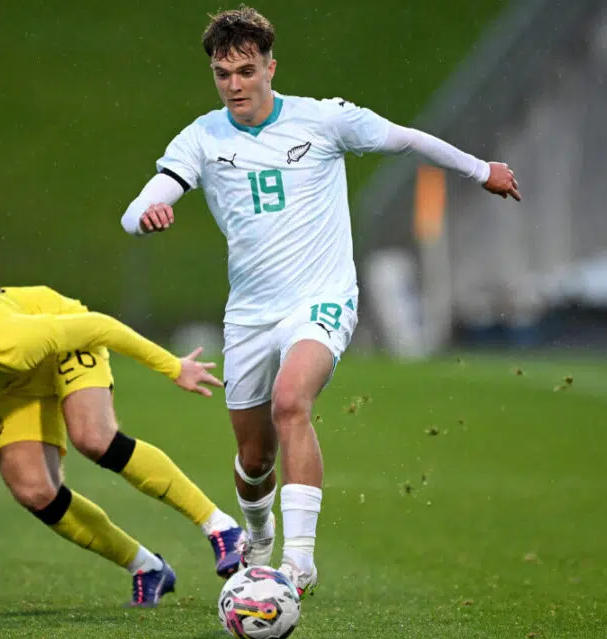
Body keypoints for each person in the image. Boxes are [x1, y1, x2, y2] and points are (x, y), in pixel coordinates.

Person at [119, 6, 521, 596]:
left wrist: (480, 168)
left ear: (270, 68)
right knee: (254, 459)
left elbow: (406, 138)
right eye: (222, 74)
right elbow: (136, 208)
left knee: (290, 403)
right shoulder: (201, 138)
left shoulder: (324, 120)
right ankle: (257, 537)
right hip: (251, 314)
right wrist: (148, 215)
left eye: (245, 71)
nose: (234, 85)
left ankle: (300, 561)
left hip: (322, 298)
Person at [0, 285, 245, 608]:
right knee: (33, 491)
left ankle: (220, 527)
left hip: (58, 334)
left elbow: (100, 326)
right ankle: (148, 569)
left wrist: (173, 367)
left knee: (93, 438)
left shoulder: (6, 341)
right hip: (11, 384)